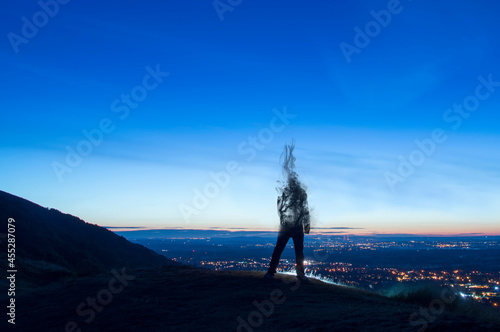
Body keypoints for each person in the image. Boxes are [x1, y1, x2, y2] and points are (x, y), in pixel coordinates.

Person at [264, 142, 311, 283]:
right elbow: (280, 207)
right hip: (288, 226)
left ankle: (300, 275)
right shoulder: (286, 192)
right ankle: (271, 271)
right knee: (279, 249)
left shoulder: (301, 193)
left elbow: (305, 209)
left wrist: (307, 224)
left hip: (296, 227)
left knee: (298, 252)